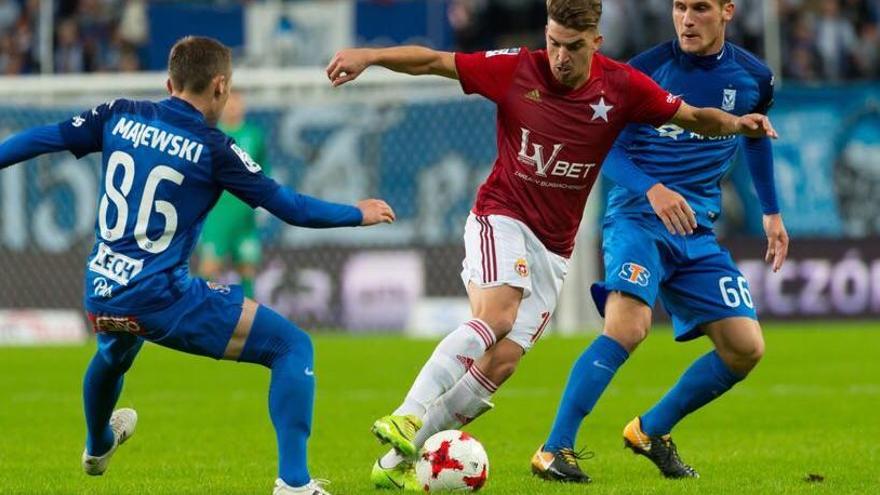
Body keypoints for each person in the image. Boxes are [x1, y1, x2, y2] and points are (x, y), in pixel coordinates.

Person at [325, 0, 777, 489]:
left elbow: (693, 117)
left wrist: (738, 124)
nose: (560, 57)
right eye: (553, 43)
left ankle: (395, 465)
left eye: (573, 47)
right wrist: (370, 58)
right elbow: (435, 61)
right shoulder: (517, 67)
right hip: (504, 215)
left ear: (595, 43)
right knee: (505, 316)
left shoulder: (623, 84)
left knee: (503, 360)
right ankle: (410, 417)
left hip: (558, 246)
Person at [0, 36, 395, 495]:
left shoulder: (118, 113)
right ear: (221, 86)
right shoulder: (214, 148)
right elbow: (290, 207)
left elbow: (40, 138)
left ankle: (97, 445)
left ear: (169, 83)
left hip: (102, 287)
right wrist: (356, 212)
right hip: (162, 298)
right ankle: (294, 484)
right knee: (291, 347)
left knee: (115, 351)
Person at [532, 0, 790, 483]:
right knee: (628, 328)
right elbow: (601, 148)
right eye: (678, 7)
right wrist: (651, 188)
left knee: (744, 348)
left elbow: (755, 137)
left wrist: (772, 213)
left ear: (728, 11)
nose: (687, 19)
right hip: (638, 217)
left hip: (696, 229)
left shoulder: (755, 78)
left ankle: (651, 431)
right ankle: (553, 448)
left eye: (700, 8)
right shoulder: (641, 73)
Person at [198, 90, 268, 298]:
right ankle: (205, 316)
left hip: (244, 214)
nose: (233, 107)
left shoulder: (254, 135)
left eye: (237, 103)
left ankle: (249, 321)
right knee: (209, 267)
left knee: (247, 267)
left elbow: (264, 170)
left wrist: (263, 205)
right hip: (217, 213)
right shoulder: (212, 134)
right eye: (229, 103)